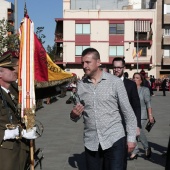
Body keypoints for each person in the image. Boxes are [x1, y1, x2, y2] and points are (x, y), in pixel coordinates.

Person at [70, 48, 137, 170]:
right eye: (82, 63)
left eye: (88, 62)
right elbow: (77, 113)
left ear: (98, 62)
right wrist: (74, 115)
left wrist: (131, 138)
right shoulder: (81, 85)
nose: (84, 66)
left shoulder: (115, 82)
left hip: (114, 138)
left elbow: (128, 112)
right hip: (91, 141)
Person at [0, 52, 37, 170]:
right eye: (10, 69)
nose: (15, 71)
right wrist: (4, 134)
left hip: (20, 150)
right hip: (6, 154)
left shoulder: (13, 92)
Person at [112, 57, 141, 162]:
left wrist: (137, 125)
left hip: (125, 125)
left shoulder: (131, 85)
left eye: (119, 67)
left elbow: (136, 106)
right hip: (110, 125)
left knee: (122, 156)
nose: (116, 70)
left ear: (123, 68)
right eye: (114, 67)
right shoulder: (107, 83)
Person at [131, 73, 155, 159]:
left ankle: (146, 147)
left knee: (138, 130)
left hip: (142, 114)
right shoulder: (130, 89)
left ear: (141, 81)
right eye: (133, 78)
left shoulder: (145, 90)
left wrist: (150, 115)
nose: (134, 79)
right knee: (133, 132)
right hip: (131, 115)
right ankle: (135, 151)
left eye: (137, 78)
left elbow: (148, 103)